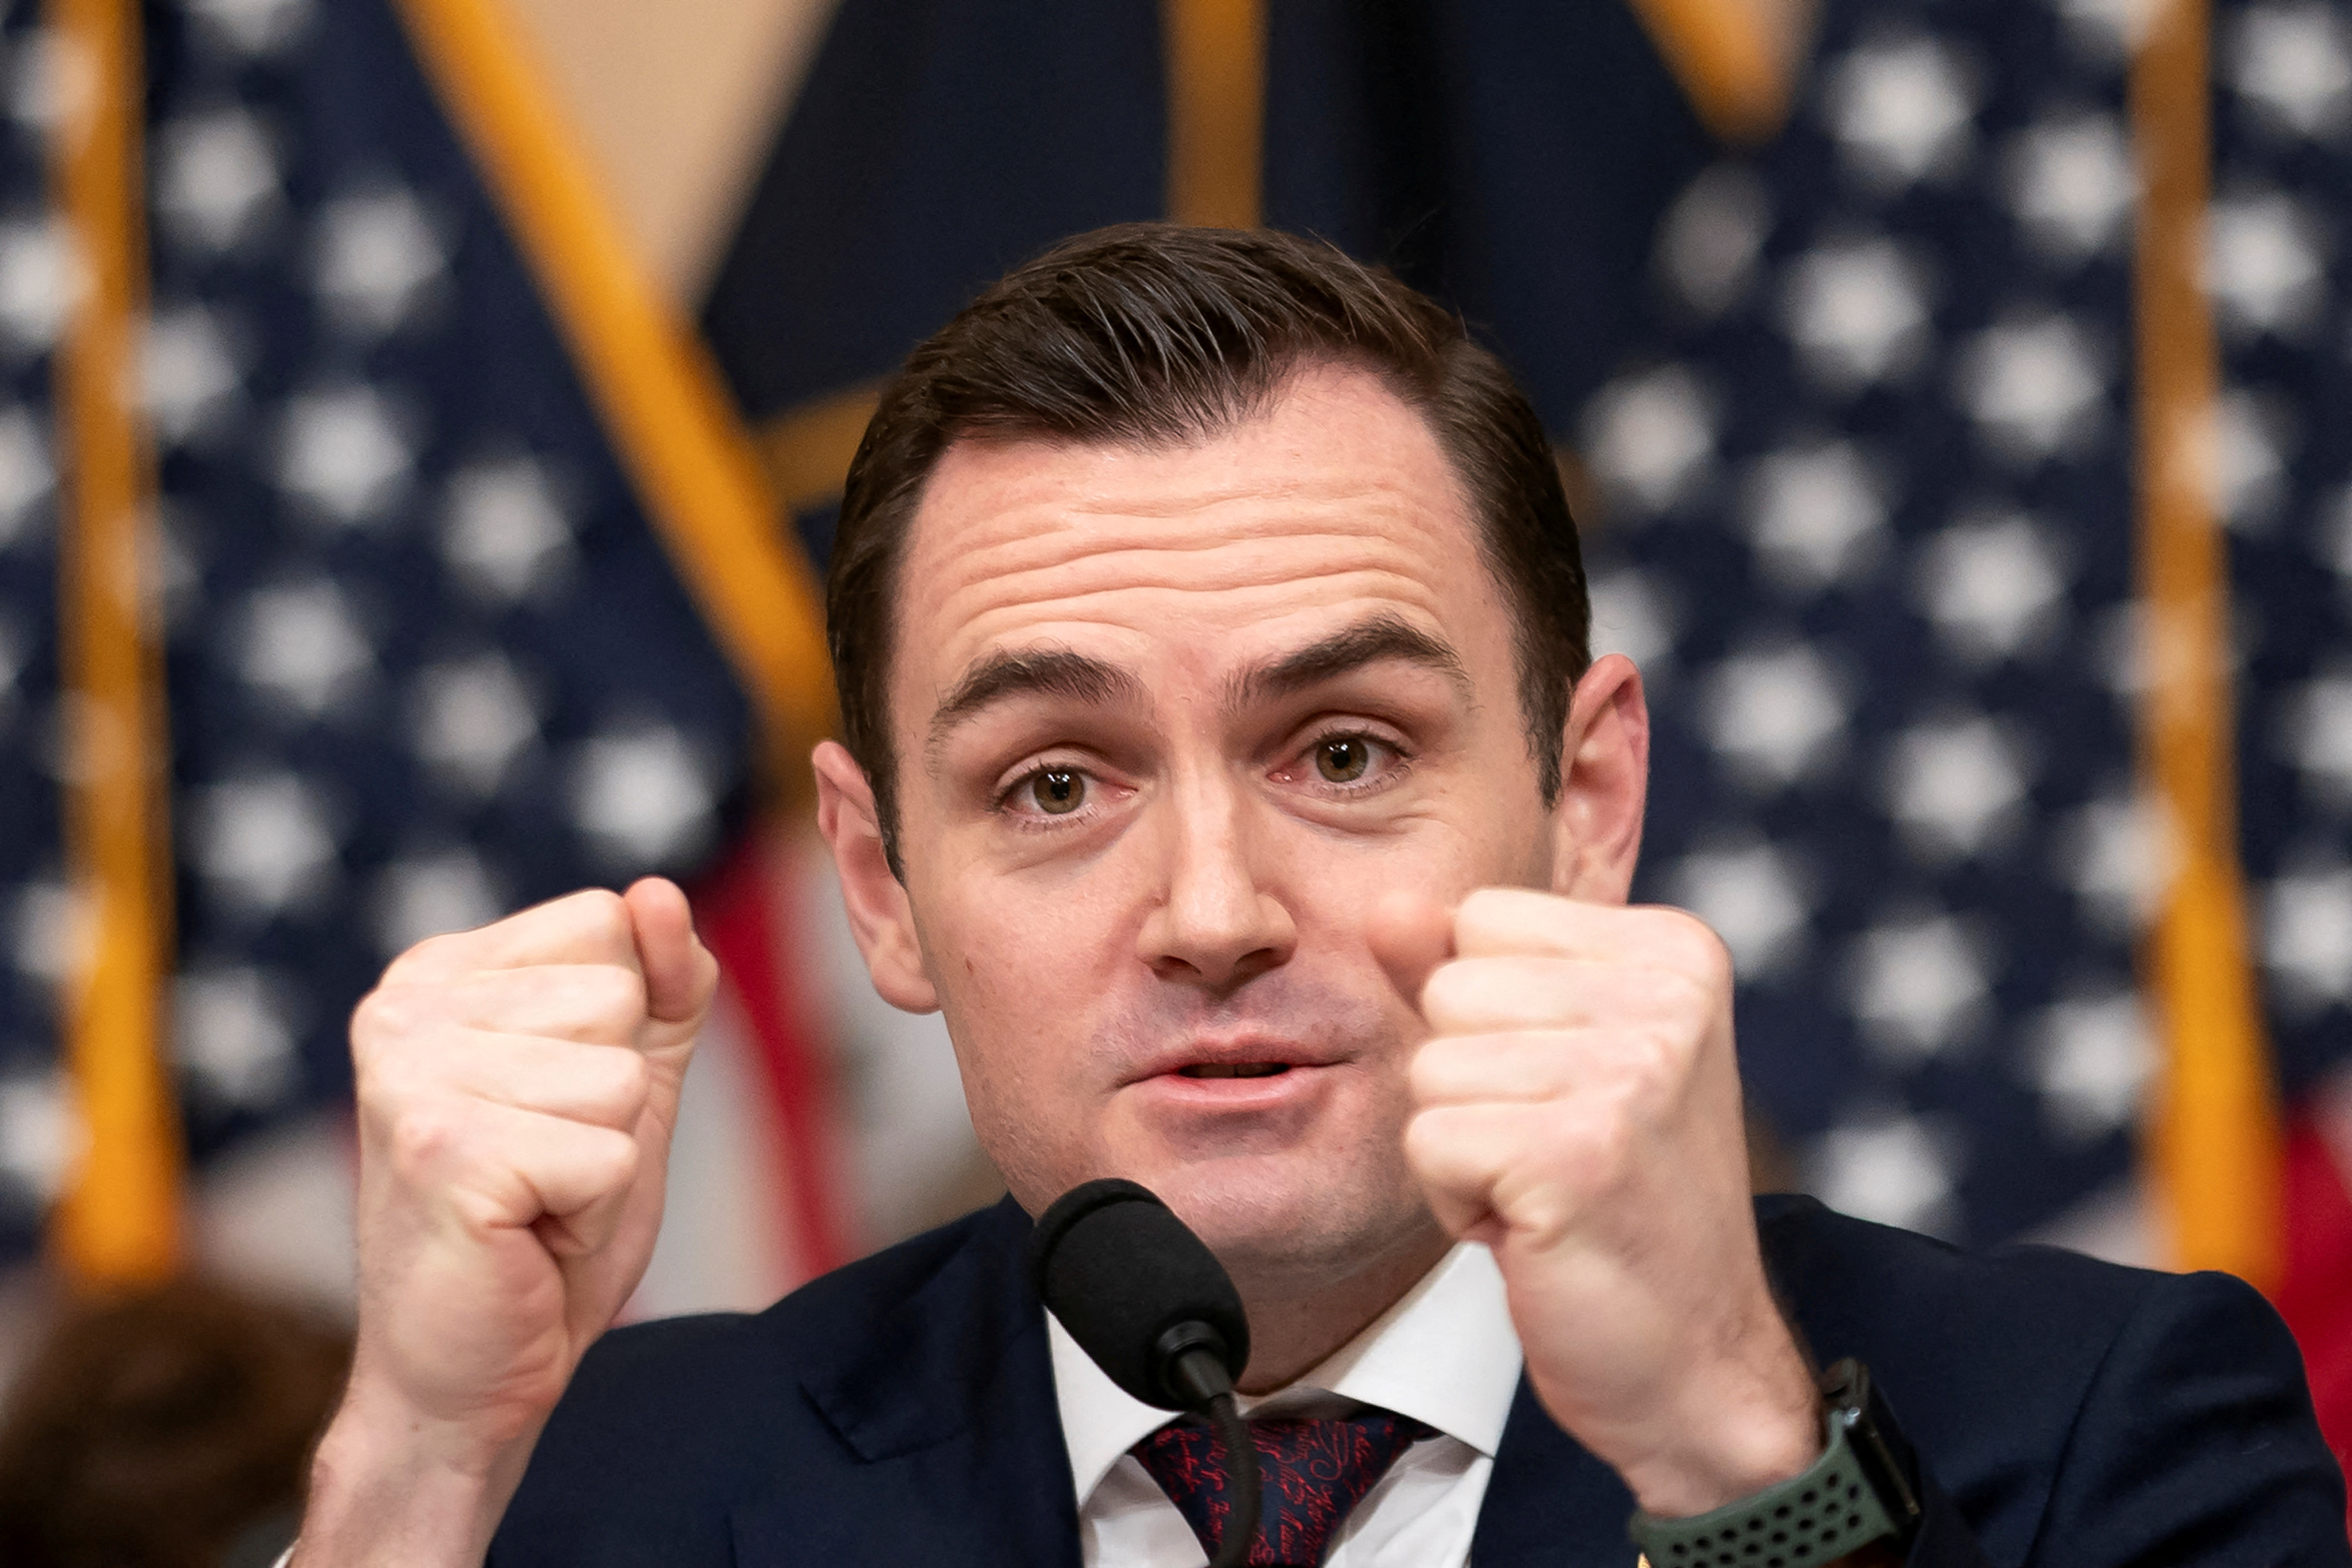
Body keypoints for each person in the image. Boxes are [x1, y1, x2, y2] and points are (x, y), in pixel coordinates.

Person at [288, 225, 2348, 1567]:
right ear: (880, 886)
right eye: (1057, 779)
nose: (1210, 907)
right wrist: (412, 1470)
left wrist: (1738, 1457)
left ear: (1583, 794)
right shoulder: (584, 1489)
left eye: (1343, 752)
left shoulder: (2093, 1430)